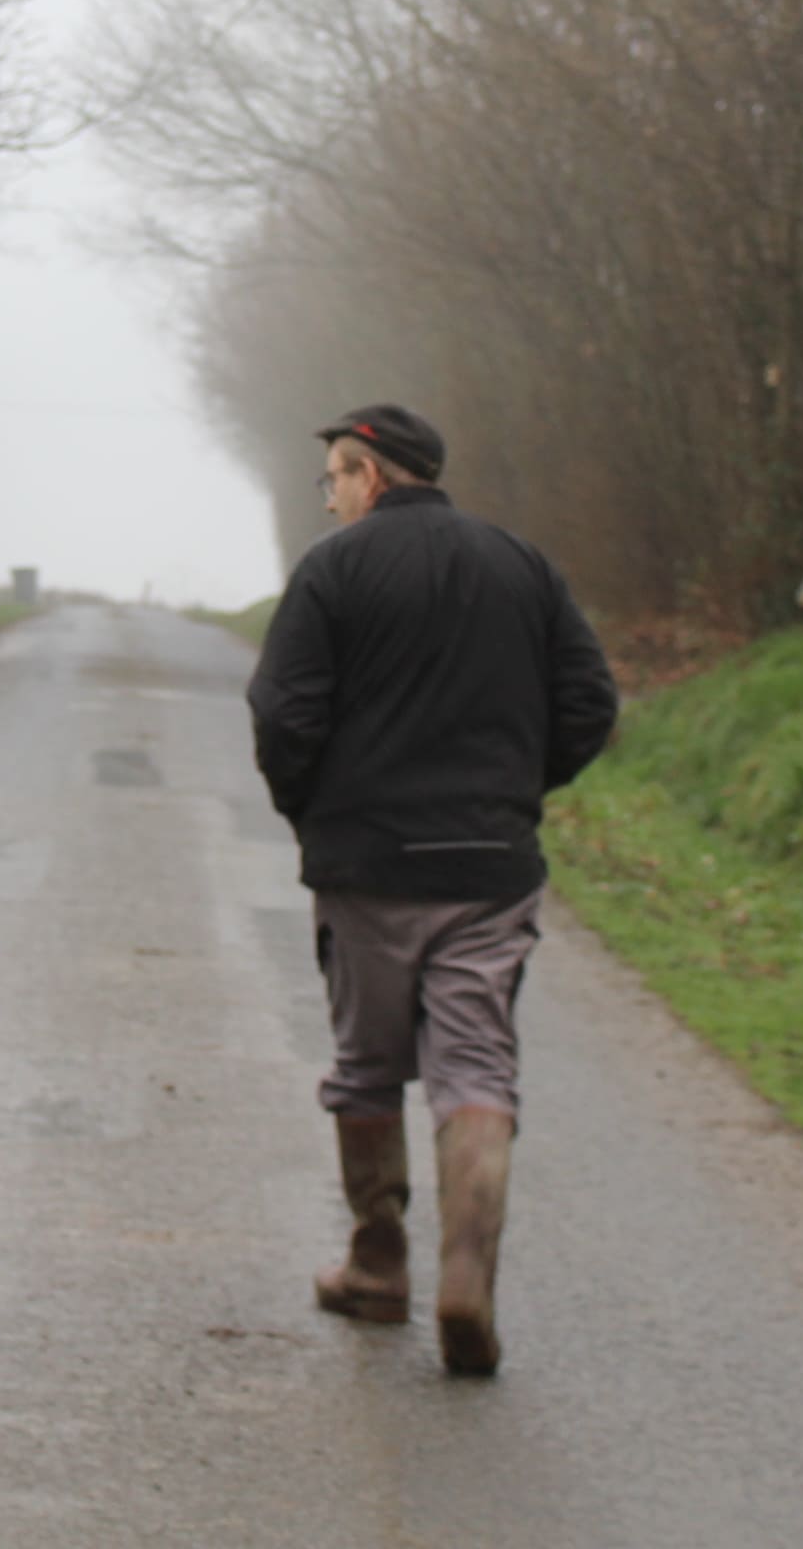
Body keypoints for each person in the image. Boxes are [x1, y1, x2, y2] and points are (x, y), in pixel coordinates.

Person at [247, 402, 619, 1377]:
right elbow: (590, 703)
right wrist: (515, 791)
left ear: (371, 474)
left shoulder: (333, 570)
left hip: (367, 867)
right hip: (489, 868)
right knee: (477, 1070)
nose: (328, 497)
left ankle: (379, 1267)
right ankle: (467, 1275)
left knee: (368, 1066)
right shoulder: (523, 565)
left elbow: (282, 711)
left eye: (332, 477)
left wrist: (313, 810)